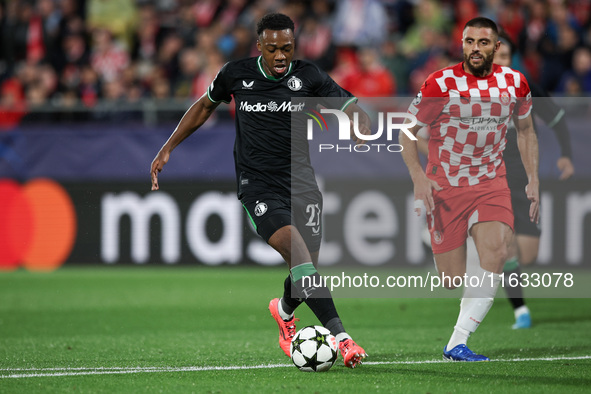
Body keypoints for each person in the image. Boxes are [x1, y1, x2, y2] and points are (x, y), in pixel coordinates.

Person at [150, 13, 368, 368]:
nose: (281, 56)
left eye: (287, 48)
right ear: (259, 47)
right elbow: (204, 105)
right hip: (259, 188)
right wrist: (168, 146)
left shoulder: (308, 76)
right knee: (300, 258)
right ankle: (343, 340)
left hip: (302, 185)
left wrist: (359, 123)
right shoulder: (236, 74)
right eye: (272, 49)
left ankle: (283, 311)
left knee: (306, 267)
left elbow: (350, 105)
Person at [399, 17, 540, 361]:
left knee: (497, 250)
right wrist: (419, 176)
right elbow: (406, 132)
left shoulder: (515, 83)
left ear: (497, 47)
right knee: (451, 278)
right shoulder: (440, 83)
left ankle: (456, 342)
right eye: (469, 41)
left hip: (491, 181)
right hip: (446, 183)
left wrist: (533, 178)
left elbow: (525, 131)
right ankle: (461, 247)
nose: (475, 48)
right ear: (462, 44)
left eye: (483, 42)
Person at [493, 33, 575, 329]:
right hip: (491, 179)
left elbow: (556, 118)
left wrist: (566, 154)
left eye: (504, 57)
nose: (499, 62)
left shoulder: (524, 87)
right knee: (504, 247)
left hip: (524, 180)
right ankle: (521, 311)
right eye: (495, 57)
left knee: (527, 253)